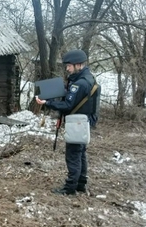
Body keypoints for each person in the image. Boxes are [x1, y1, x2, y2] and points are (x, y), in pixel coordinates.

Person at [35, 49, 96, 195]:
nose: (67, 68)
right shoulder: (89, 78)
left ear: (78, 65)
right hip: (83, 122)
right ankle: (80, 184)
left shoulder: (79, 84)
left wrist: (47, 102)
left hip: (77, 123)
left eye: (69, 65)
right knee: (80, 154)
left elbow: (68, 105)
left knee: (73, 155)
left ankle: (70, 188)